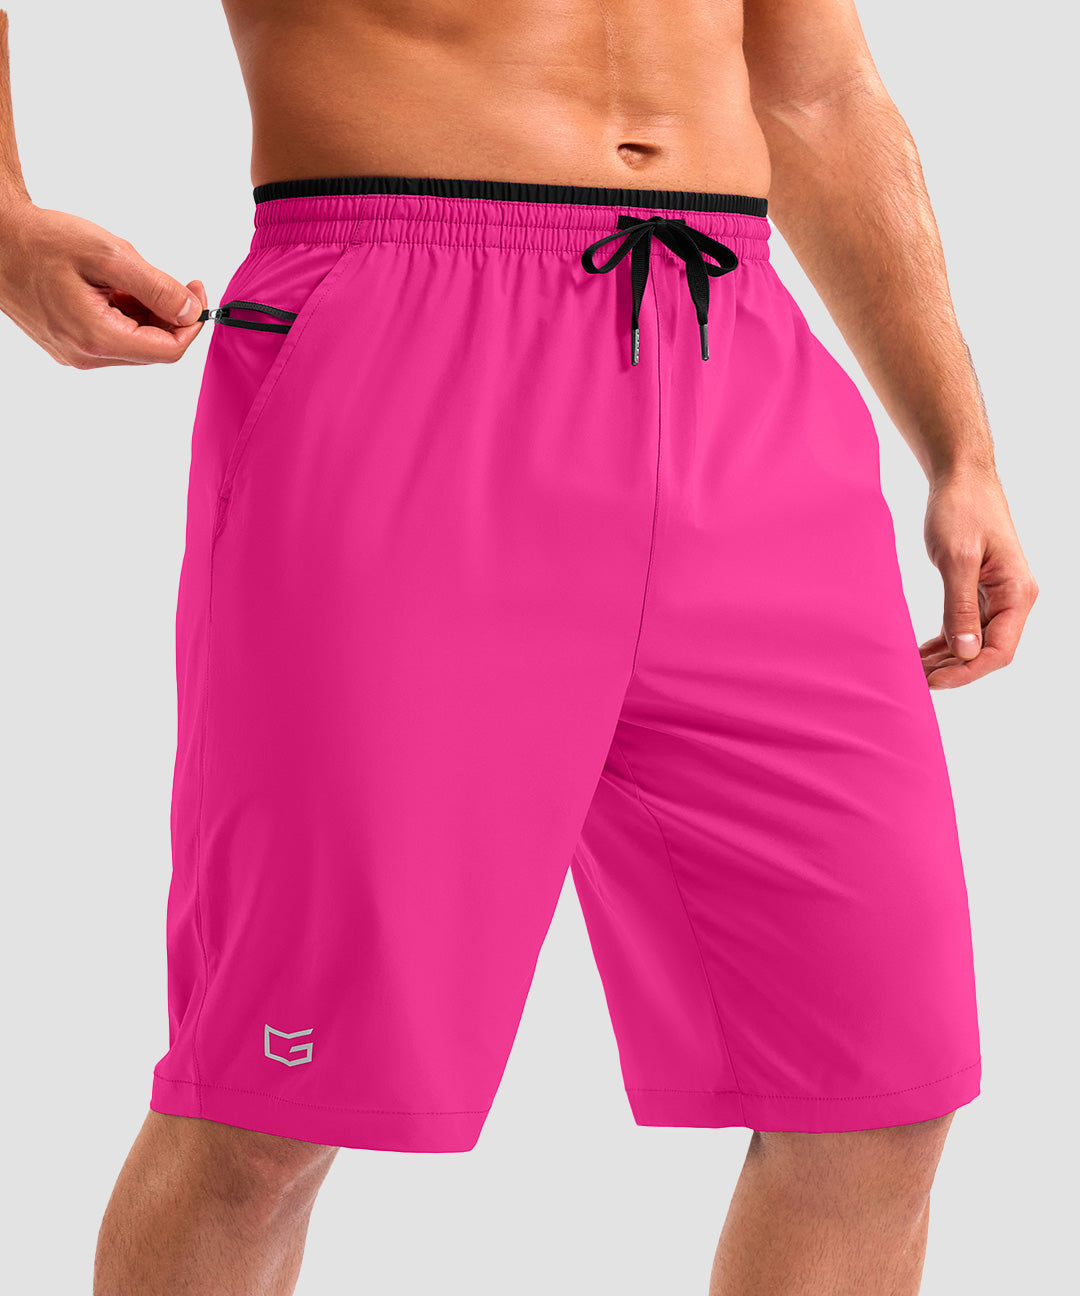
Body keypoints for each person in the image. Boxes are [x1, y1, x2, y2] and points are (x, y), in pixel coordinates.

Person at [0, 1, 1039, 1293]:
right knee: (267, 1105)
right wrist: (3, 220)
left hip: (738, 355)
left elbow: (818, 92)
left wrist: (960, 447)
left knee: (877, 1091)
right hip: (402, 343)